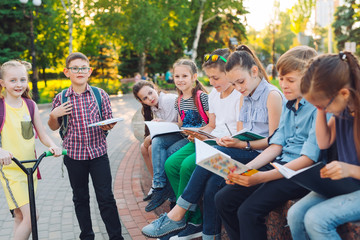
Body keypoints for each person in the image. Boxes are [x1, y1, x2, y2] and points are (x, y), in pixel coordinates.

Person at [142, 45, 284, 240]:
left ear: (254, 71)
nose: (239, 88)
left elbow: (274, 142)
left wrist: (241, 145)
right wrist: (234, 142)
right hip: (242, 151)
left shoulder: (271, 95)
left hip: (259, 155)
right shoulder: (247, 95)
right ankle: (209, 235)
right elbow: (242, 132)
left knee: (211, 154)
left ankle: (178, 213)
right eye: (235, 83)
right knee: (213, 189)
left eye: (240, 82)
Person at [214, 46, 320, 240]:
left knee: (248, 211)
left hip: (300, 174)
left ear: (309, 78)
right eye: (281, 79)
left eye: (290, 80)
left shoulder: (317, 108)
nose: (284, 85)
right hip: (279, 165)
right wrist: (246, 169)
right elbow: (276, 145)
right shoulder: (289, 103)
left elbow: (308, 159)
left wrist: (260, 178)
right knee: (223, 198)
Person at [142, 48, 242, 239]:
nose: (211, 83)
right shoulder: (213, 95)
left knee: (188, 165)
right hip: (206, 137)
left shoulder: (238, 96)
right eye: (210, 78)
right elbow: (212, 125)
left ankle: (185, 218)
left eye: (216, 78)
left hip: (223, 143)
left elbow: (238, 131)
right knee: (171, 163)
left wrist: (207, 135)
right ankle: (187, 217)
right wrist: (197, 133)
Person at [48, 52, 123, 240]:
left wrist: (109, 125)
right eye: (75, 68)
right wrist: (53, 115)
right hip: (73, 157)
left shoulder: (100, 94)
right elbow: (53, 126)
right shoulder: (61, 97)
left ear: (89, 71)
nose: (79, 71)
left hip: (98, 154)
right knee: (80, 198)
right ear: (67, 72)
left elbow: (108, 120)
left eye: (83, 68)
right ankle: (87, 236)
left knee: (105, 198)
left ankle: (116, 237)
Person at [286, 52, 360, 240]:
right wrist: (320, 109)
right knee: (294, 215)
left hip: (355, 183)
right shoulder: (342, 110)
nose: (322, 109)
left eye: (323, 105)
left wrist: (349, 169)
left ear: (343, 93)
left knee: (316, 219)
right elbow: (323, 141)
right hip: (346, 186)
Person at [0, 60, 62, 240]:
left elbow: (42, 134)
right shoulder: (1, 107)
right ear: (2, 83)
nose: (18, 84)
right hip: (10, 171)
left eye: (22, 79)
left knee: (21, 216)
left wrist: (52, 145)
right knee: (32, 216)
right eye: (12, 80)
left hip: (29, 169)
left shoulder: (30, 105)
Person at [143, 59, 210, 212]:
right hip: (185, 135)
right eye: (177, 76)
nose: (180, 80)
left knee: (167, 157)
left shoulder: (201, 97)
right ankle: (159, 186)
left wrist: (198, 132)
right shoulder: (178, 100)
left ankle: (173, 196)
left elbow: (212, 123)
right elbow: (180, 124)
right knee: (158, 141)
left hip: (197, 139)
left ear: (194, 77)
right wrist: (162, 123)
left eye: (184, 76)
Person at [132, 80, 180, 202]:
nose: (150, 98)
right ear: (141, 101)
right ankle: (155, 184)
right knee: (144, 147)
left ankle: (160, 185)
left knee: (151, 146)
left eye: (150, 92)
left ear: (155, 88)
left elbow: (177, 125)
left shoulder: (169, 100)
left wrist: (155, 132)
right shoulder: (154, 107)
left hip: (180, 134)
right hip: (170, 134)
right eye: (145, 98)